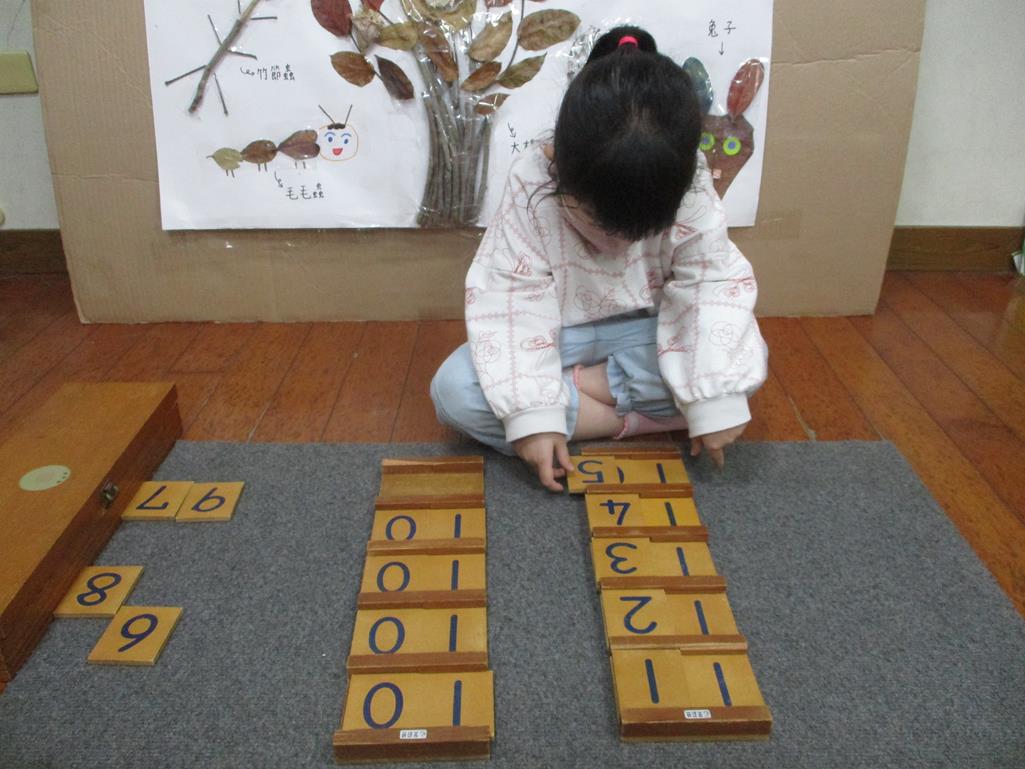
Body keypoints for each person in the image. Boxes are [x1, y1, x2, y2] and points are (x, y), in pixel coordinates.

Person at [430, 25, 768, 491]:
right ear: (561, 168)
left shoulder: (691, 182)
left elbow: (709, 286)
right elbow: (512, 298)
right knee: (454, 390)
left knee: (742, 364)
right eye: (598, 220)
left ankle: (584, 399)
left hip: (648, 332)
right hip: (558, 333)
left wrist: (714, 397)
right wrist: (532, 415)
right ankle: (632, 419)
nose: (615, 242)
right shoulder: (533, 179)